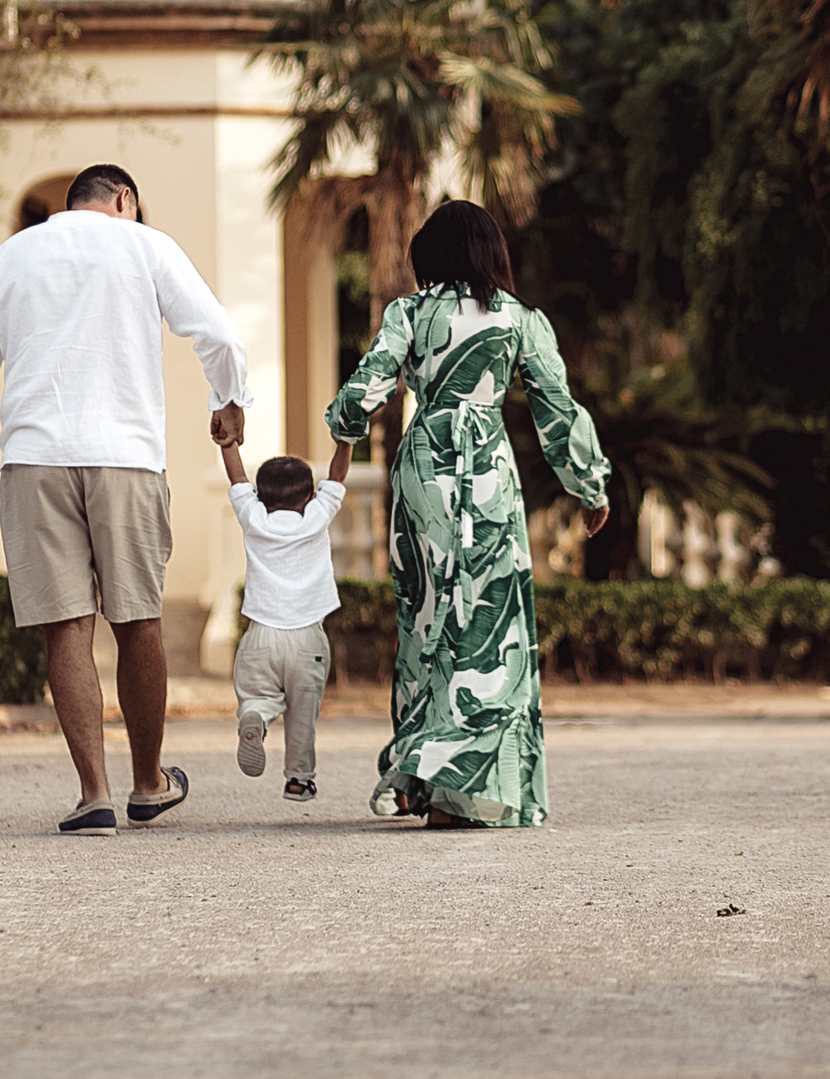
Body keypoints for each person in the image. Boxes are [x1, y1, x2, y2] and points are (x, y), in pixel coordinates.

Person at [0, 162, 251, 835]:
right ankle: (148, 781)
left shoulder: (10, 256)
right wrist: (229, 401)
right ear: (124, 200)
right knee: (138, 618)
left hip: (35, 457)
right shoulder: (147, 245)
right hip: (127, 457)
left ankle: (94, 793)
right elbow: (219, 335)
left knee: (66, 627)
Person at [324, 199, 612, 829]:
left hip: (423, 468)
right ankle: (467, 788)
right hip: (486, 474)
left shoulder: (408, 313)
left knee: (426, 617)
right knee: (491, 624)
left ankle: (419, 774)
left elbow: (364, 391)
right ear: (492, 253)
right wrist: (590, 486)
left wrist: (341, 438)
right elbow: (557, 412)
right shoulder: (520, 320)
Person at [219, 435, 352, 802]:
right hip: (307, 637)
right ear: (310, 497)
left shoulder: (254, 517)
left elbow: (237, 479)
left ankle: (256, 719)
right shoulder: (317, 517)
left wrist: (226, 443)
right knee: (303, 714)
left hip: (260, 635)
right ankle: (298, 779)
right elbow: (338, 477)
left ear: (261, 498)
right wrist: (346, 441)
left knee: (257, 697)